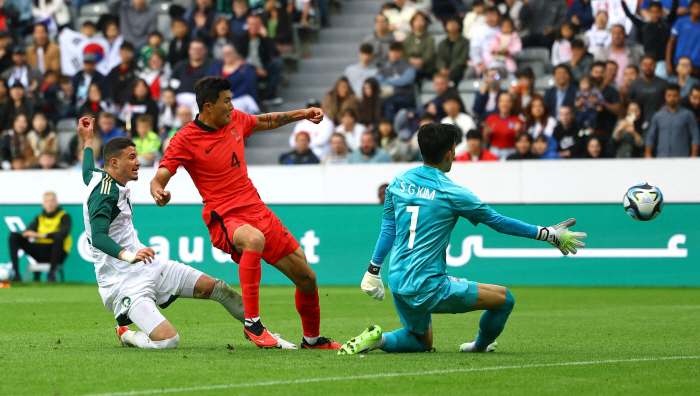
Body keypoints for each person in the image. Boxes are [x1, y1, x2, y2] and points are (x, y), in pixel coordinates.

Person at [338, 123, 586, 355]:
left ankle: (379, 339)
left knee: (421, 342)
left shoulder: (399, 181)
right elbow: (498, 222)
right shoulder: (453, 192)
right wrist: (548, 234)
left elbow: (388, 228)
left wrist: (373, 270)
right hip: (428, 285)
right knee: (504, 299)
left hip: (398, 281)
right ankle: (479, 347)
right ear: (448, 153)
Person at [151, 77, 341, 349]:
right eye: (226, 101)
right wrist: (159, 190)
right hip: (225, 216)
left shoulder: (235, 120)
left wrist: (303, 113)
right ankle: (252, 323)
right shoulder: (185, 139)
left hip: (257, 209)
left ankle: (312, 340)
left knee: (307, 278)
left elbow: (265, 121)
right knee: (253, 240)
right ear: (208, 107)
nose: (232, 106)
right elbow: (160, 177)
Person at [75, 118, 283, 350]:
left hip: (147, 265)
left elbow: (86, 169)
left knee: (219, 288)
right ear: (114, 162)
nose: (138, 162)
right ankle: (127, 334)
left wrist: (87, 140)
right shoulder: (105, 193)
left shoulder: (97, 177)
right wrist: (128, 255)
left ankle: (262, 333)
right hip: (122, 282)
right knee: (168, 341)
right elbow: (98, 236)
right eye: (131, 157)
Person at [7, 191, 71, 282]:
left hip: (58, 252)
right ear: (43, 204)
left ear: (57, 203)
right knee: (14, 236)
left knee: (59, 238)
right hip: (41, 251)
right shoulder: (40, 218)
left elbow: (62, 233)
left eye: (52, 201)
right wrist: (26, 234)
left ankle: (51, 274)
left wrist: (41, 235)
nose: (50, 204)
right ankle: (16, 274)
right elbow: (28, 230)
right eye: (47, 201)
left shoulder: (64, 216)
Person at [233, 14, 284, 105]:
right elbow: (239, 58)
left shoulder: (263, 38)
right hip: (247, 67)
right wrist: (255, 69)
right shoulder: (241, 38)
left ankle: (270, 96)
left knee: (278, 63)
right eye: (252, 24)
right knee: (249, 71)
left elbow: (276, 53)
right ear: (247, 25)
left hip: (263, 66)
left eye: (257, 24)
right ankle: (255, 100)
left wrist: (266, 37)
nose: (254, 26)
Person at [623, 0, 679, 79]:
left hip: (662, 63)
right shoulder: (644, 26)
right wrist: (622, 3)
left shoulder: (666, 23)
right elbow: (630, 15)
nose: (655, 14)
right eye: (652, 12)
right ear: (649, 12)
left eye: (657, 11)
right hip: (648, 63)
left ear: (661, 12)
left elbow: (674, 10)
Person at [645, 84, 700, 157]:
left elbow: (695, 136)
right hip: (662, 157)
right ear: (665, 97)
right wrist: (648, 153)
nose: (672, 98)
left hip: (682, 157)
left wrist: (694, 154)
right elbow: (651, 136)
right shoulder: (658, 116)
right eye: (669, 95)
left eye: (675, 95)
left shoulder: (688, 115)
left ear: (679, 96)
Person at [376, 42, 416, 120]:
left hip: (404, 95)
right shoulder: (382, 69)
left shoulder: (408, 67)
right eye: (392, 51)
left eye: (397, 51)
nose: (394, 54)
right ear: (389, 52)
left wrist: (388, 80)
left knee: (389, 104)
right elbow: (379, 82)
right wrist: (396, 80)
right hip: (387, 96)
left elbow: (406, 80)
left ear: (402, 53)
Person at [594, 25, 642, 90]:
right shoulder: (602, 54)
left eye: (620, 33)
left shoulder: (635, 54)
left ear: (624, 35)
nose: (617, 36)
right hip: (607, 91)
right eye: (615, 33)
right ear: (611, 35)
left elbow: (640, 73)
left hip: (630, 91)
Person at [628, 56, 669, 125]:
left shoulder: (664, 84)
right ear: (641, 66)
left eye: (651, 65)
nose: (648, 68)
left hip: (660, 121)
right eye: (645, 65)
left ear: (655, 66)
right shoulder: (635, 84)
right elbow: (629, 102)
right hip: (638, 122)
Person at [483, 92, 524, 160]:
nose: (505, 104)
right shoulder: (490, 119)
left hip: (511, 150)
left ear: (512, 104)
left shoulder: (517, 120)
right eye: (502, 101)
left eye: (508, 101)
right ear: (498, 104)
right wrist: (486, 133)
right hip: (494, 150)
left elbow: (520, 141)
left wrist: (517, 132)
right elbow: (485, 141)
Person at [666, 0, 700, 76]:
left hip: (697, 65)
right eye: (695, 7)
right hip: (679, 63)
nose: (698, 10)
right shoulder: (681, 22)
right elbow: (671, 42)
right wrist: (668, 63)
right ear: (690, 8)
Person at [436, 15, 469, 86]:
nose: (452, 25)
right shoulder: (442, 43)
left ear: (459, 25)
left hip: (458, 70)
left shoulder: (465, 42)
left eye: (454, 23)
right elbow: (440, 58)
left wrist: (450, 70)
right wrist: (442, 68)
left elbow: (462, 59)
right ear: (445, 26)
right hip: (444, 70)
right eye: (449, 23)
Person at [590, 61, 621, 135]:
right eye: (596, 72)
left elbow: (618, 110)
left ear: (605, 74)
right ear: (591, 73)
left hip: (606, 131)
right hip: (587, 131)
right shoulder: (585, 89)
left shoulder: (612, 91)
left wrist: (602, 102)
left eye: (601, 72)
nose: (599, 75)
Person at [402, 12, 435, 81]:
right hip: (408, 66)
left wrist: (420, 61)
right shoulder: (407, 39)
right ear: (412, 22)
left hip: (425, 67)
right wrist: (410, 60)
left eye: (421, 20)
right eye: (416, 20)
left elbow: (429, 55)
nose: (419, 23)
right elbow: (403, 54)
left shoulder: (429, 38)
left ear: (425, 22)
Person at [469, 7, 500, 78]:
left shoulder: (503, 30)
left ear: (499, 17)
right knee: (469, 73)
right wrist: (480, 63)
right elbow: (474, 50)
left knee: (496, 76)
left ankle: (495, 86)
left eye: (493, 15)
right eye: (488, 15)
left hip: (498, 63)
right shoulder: (479, 30)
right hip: (480, 63)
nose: (490, 18)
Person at [107, 42, 139, 108]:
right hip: (116, 105)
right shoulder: (114, 71)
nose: (126, 54)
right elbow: (110, 87)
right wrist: (115, 102)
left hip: (132, 104)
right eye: (124, 51)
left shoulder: (137, 70)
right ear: (120, 53)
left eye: (129, 52)